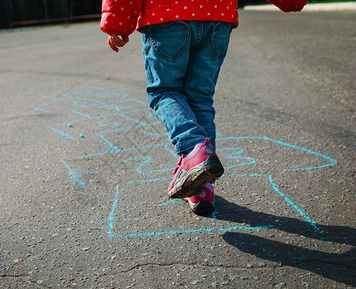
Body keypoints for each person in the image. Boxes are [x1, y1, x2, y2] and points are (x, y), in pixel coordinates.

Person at [100, 0, 307, 214]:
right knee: (200, 98)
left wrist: (117, 24)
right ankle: (200, 188)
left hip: (167, 15)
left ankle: (193, 149)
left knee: (165, 91)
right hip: (217, 16)